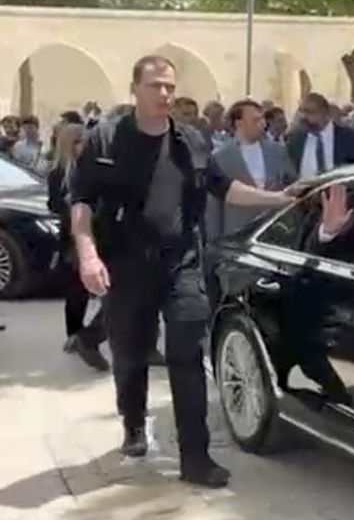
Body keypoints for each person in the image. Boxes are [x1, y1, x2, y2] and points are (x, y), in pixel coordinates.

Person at [69, 55, 297, 487]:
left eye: (170, 87)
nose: (164, 94)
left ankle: (195, 457)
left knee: (188, 357)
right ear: (134, 89)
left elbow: (224, 188)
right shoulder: (106, 140)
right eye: (155, 85)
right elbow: (80, 202)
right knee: (130, 355)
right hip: (125, 265)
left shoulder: (190, 140)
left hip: (182, 264)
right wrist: (88, 255)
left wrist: (279, 198)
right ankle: (134, 423)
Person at [47, 121, 109, 372]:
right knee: (76, 290)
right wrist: (69, 205)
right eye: (77, 141)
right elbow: (54, 204)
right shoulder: (58, 174)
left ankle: (85, 336)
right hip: (72, 238)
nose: (82, 146)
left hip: (99, 234)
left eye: (85, 141)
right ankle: (75, 334)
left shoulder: (94, 169)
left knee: (105, 287)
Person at [205, 99, 297, 241]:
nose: (263, 124)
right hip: (237, 235)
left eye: (263, 119)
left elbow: (292, 182)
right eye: (256, 120)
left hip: (274, 233)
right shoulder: (220, 157)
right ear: (239, 123)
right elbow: (214, 206)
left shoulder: (277, 151)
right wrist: (214, 239)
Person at [286, 92, 354, 178]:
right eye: (301, 111)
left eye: (309, 112)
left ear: (325, 113)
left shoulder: (350, 138)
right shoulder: (295, 141)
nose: (303, 117)